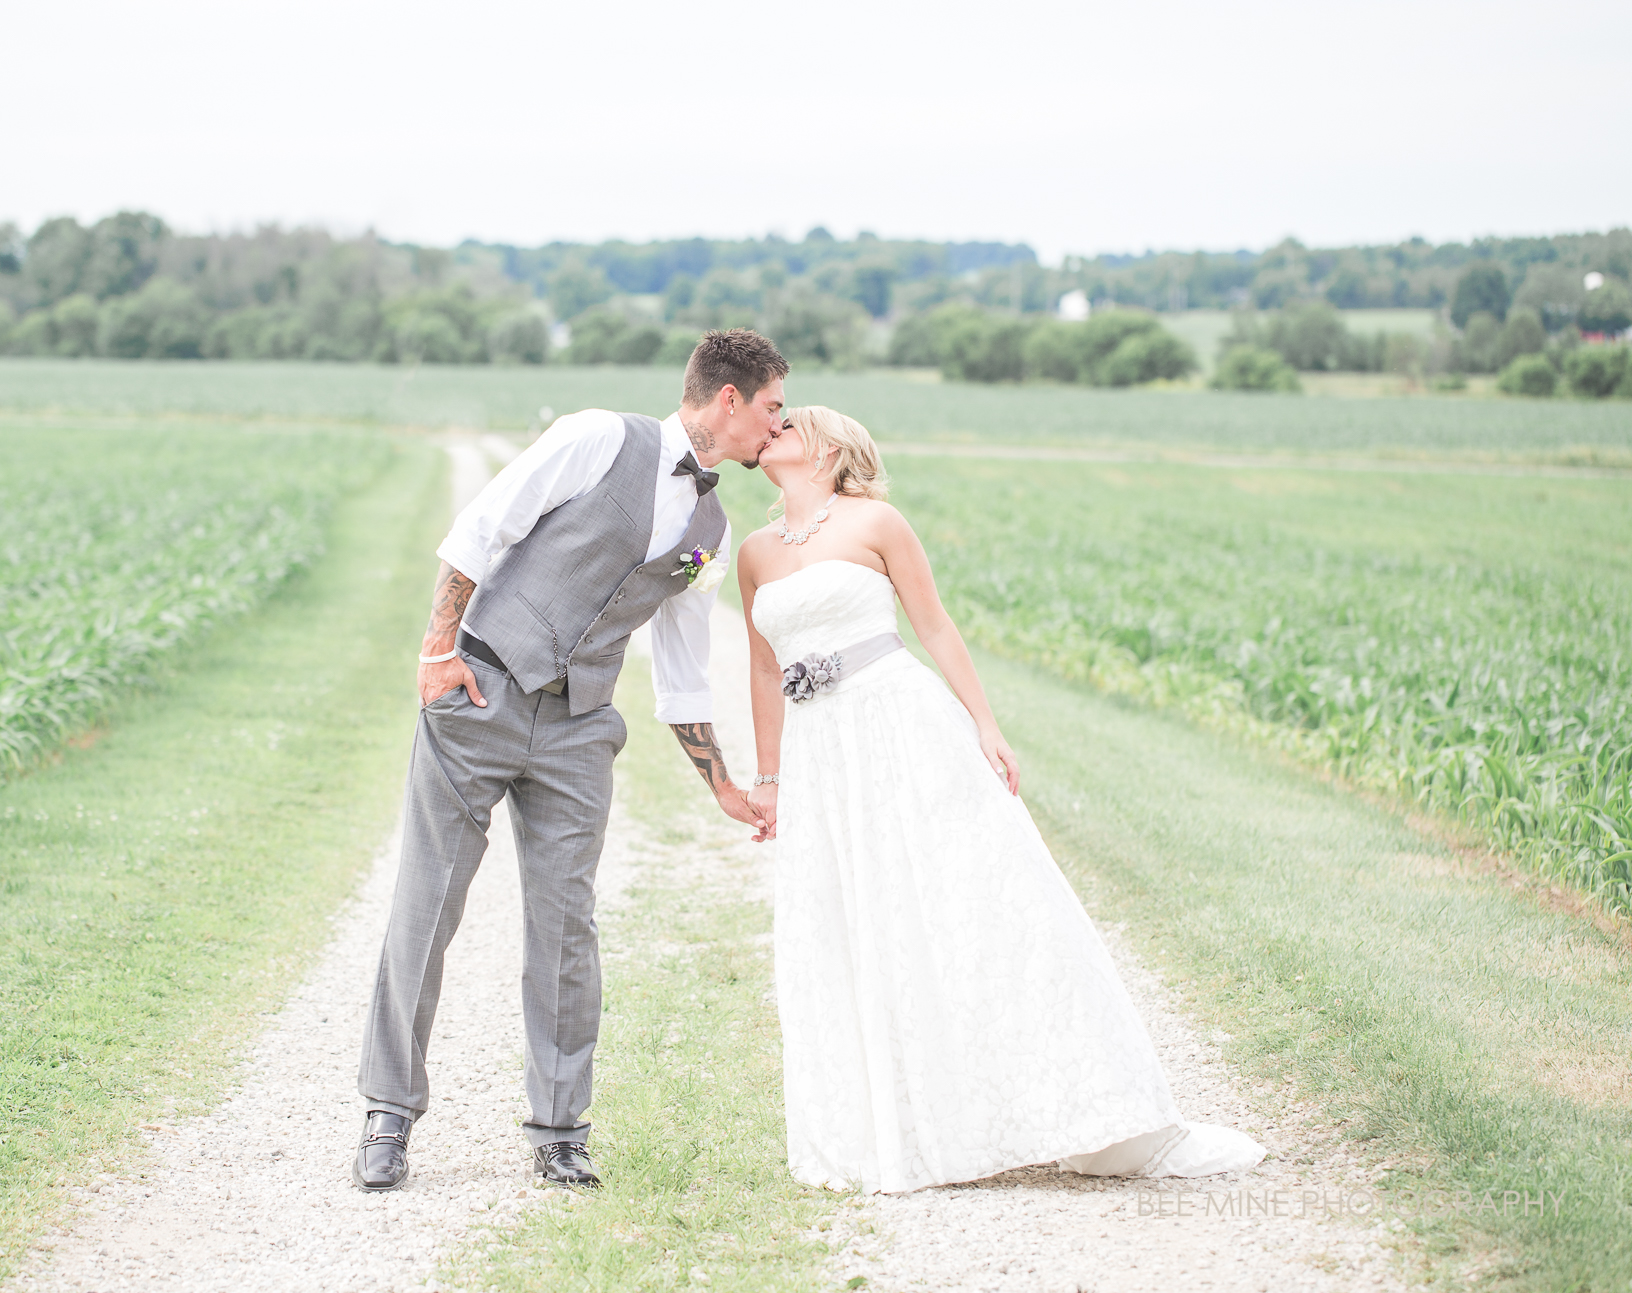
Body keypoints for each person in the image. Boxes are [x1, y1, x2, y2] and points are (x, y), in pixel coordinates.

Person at [736, 406, 1264, 1194]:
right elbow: (761, 669)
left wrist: (985, 724)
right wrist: (770, 776)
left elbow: (937, 627)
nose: (776, 426)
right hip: (822, 754)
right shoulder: (753, 552)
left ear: (832, 450)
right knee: (853, 915)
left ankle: (1079, 1103)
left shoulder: (878, 521)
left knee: (960, 898)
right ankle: (896, 1120)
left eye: (794, 421)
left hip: (899, 723)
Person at [353, 329, 788, 1191]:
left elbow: (682, 665)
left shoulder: (712, 522)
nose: (779, 428)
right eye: (773, 408)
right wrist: (440, 651)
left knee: (567, 926)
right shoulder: (598, 436)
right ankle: (388, 1115)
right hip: (481, 691)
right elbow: (483, 525)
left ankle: (560, 1129)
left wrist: (724, 782)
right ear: (728, 399)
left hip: (581, 728)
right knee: (428, 903)